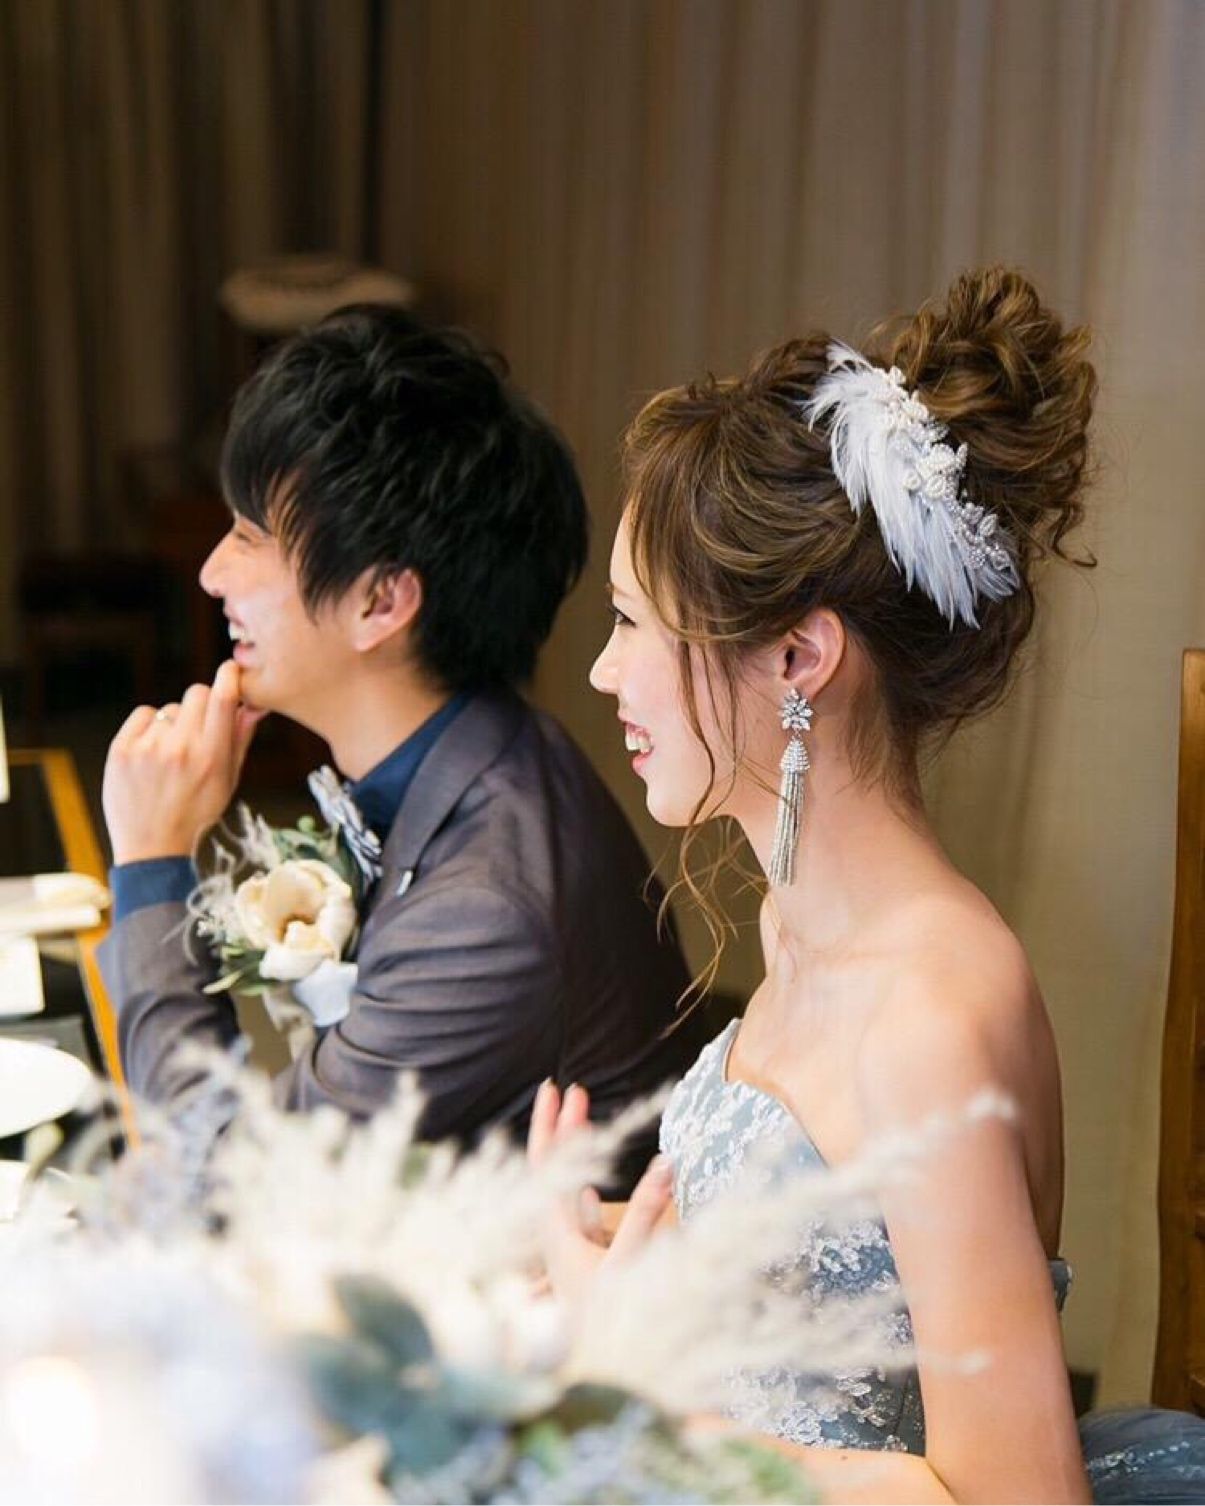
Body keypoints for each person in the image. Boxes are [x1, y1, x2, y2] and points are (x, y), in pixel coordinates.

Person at [529, 268, 1205, 1500]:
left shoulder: (925, 1021)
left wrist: (647, 1405)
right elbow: (824, 1279)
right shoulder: (796, 923)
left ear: (798, 656)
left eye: (632, 624)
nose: (601, 673)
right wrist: (608, 1247)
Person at [99, 305, 703, 1181]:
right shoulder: (482, 746)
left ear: (381, 602)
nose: (211, 573)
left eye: (249, 536)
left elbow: (229, 1190)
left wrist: (152, 862)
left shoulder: (484, 910)